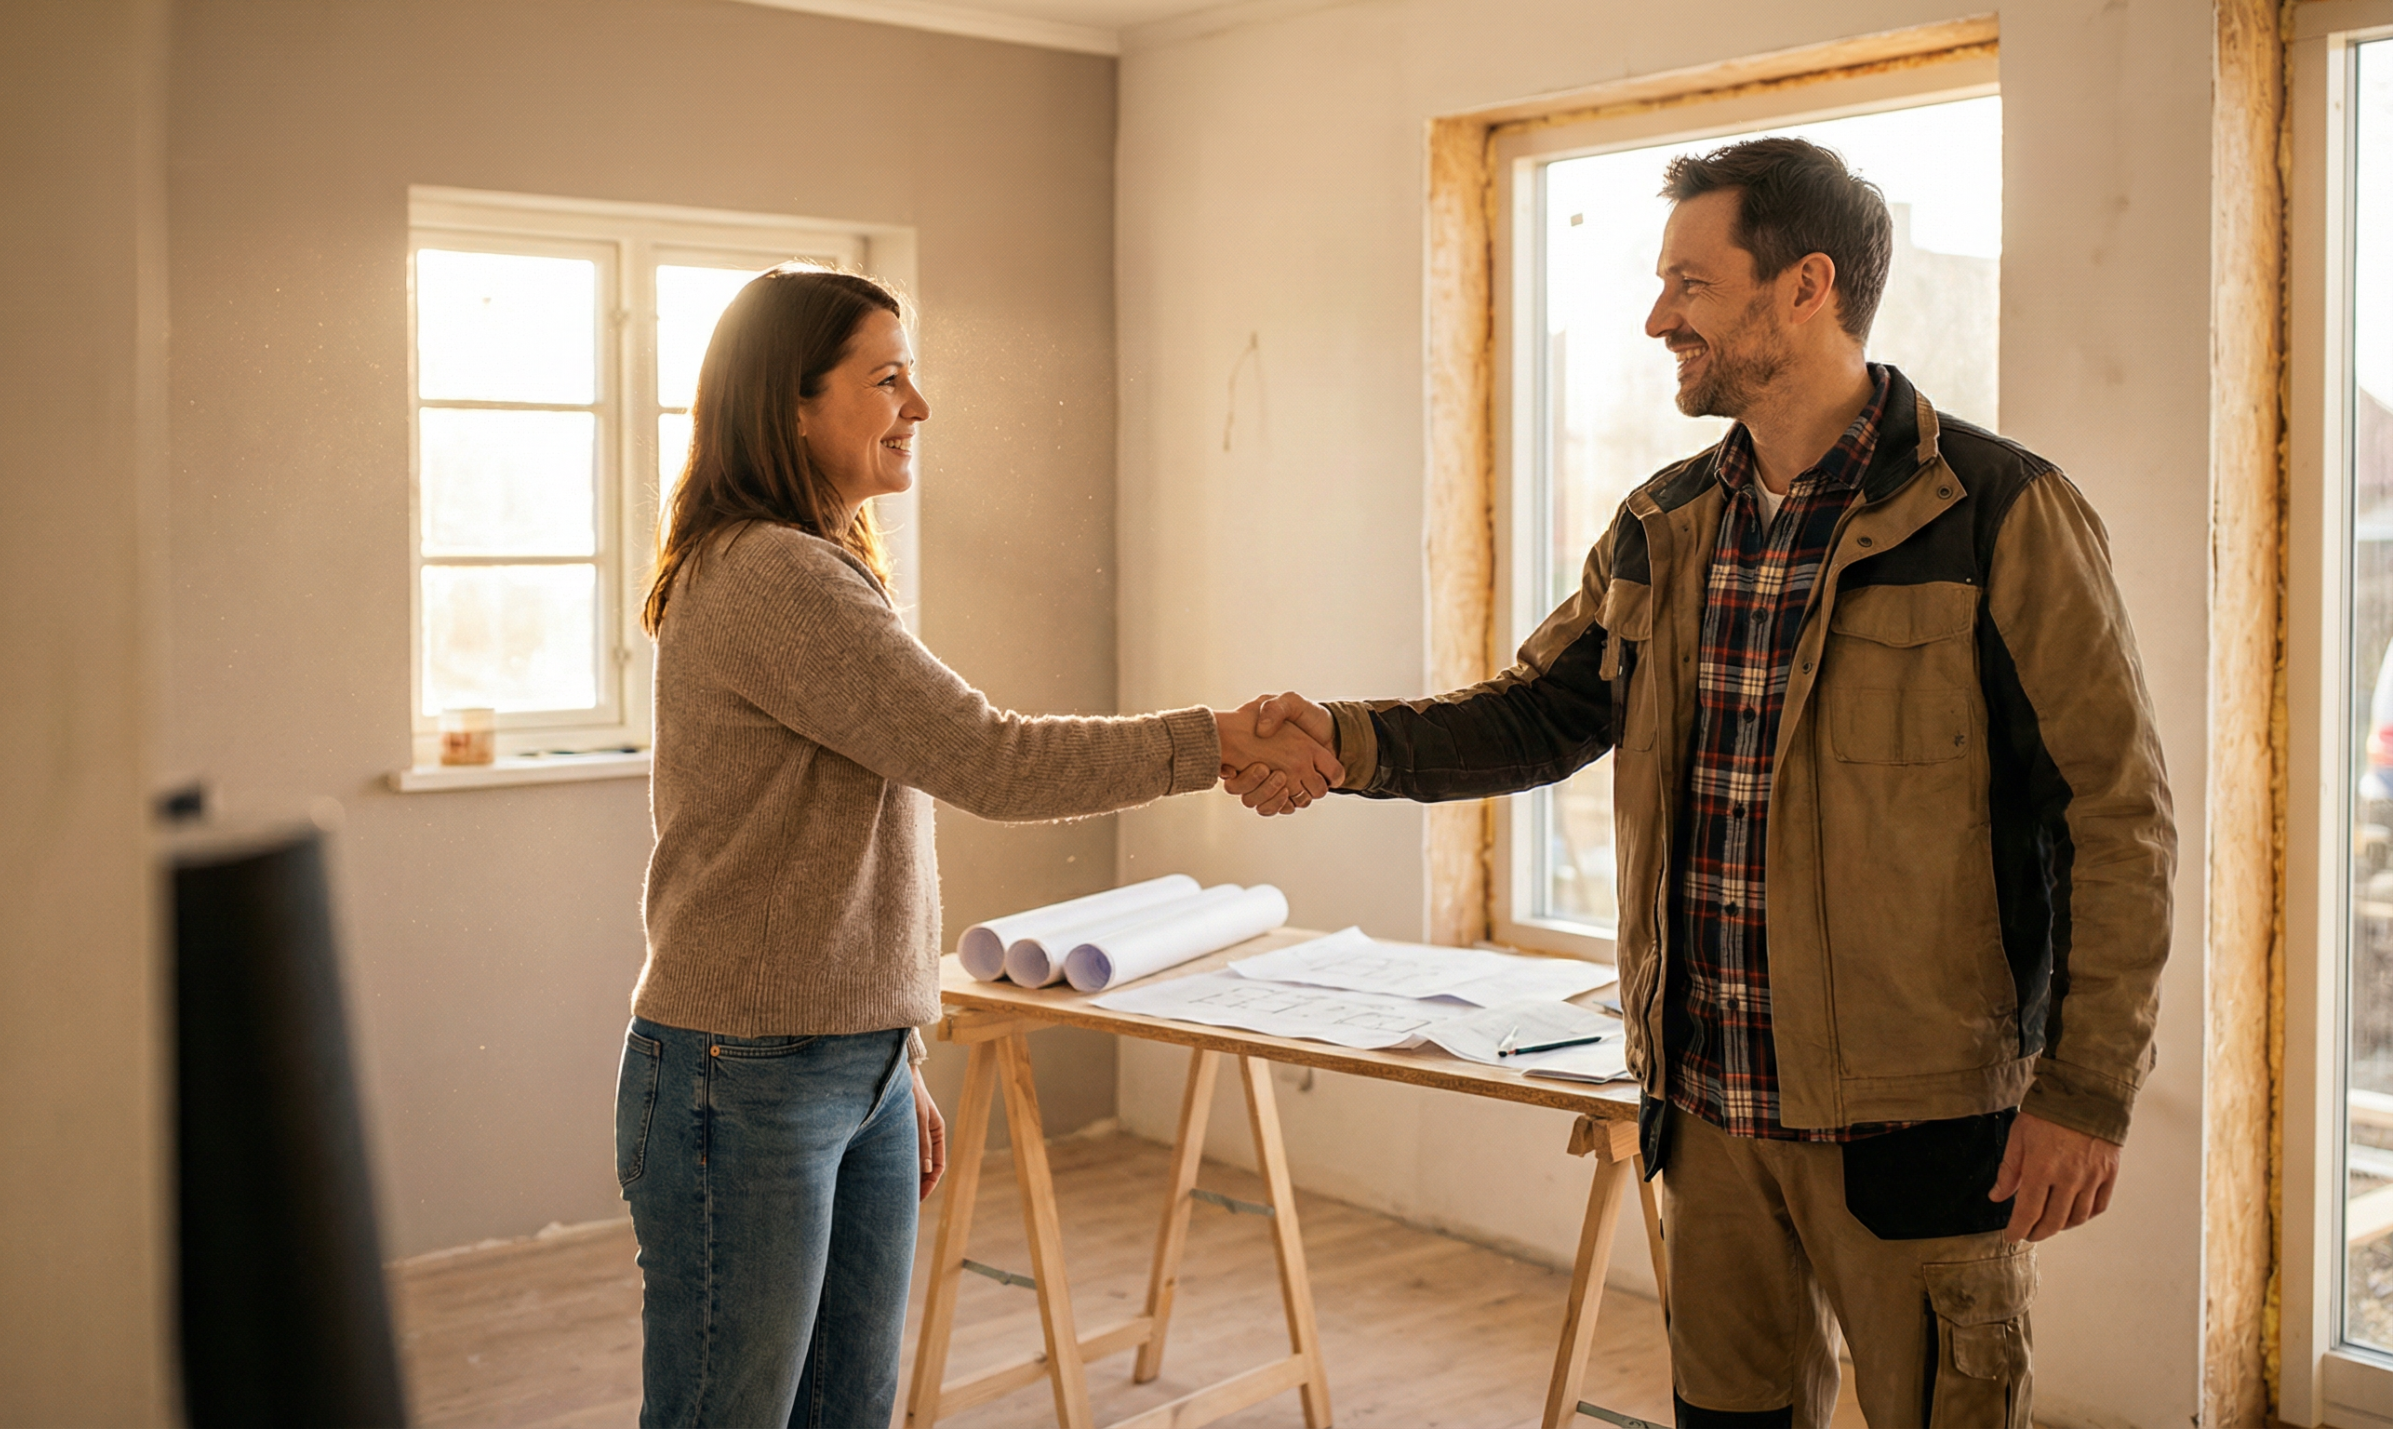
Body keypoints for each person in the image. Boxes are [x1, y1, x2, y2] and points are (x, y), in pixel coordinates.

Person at [1230, 139, 2174, 1426]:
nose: (1656, 315)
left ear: (1804, 286)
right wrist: (1341, 739)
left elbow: (2115, 816)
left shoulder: (2000, 513)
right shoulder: (1665, 524)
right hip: (1708, 1111)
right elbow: (1545, 711)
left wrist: (2087, 1093)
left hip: (1918, 1123)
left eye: (1688, 280)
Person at [615, 264, 1339, 1428]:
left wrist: (888, 1057)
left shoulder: (817, 561)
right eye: (886, 377)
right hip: (741, 1080)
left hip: (841, 1065)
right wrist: (1214, 739)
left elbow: (837, 864)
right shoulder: (771, 572)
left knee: (845, 1411)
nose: (919, 404)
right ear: (792, 405)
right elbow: (988, 758)